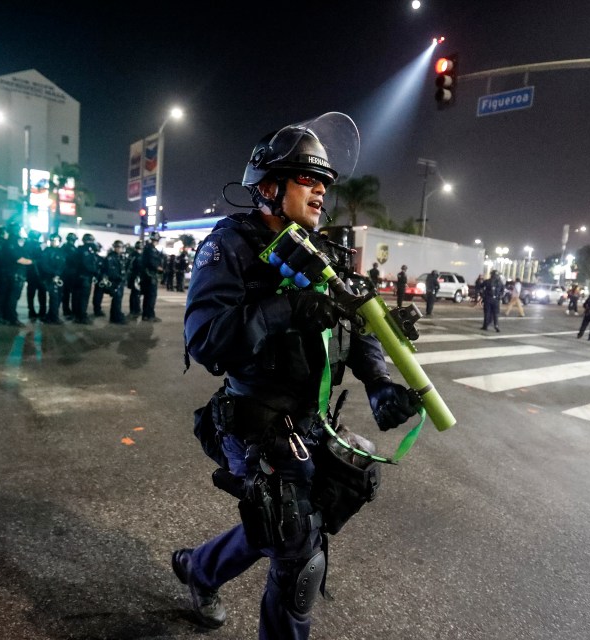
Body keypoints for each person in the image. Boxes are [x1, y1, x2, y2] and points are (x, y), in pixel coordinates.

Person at [174, 112, 417, 639]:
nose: (321, 192)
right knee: (297, 548)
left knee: (306, 512)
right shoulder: (229, 246)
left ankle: (199, 569)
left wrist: (379, 383)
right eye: (308, 180)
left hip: (309, 422)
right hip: (253, 419)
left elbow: (357, 324)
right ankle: (205, 571)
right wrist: (287, 310)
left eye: (324, 183)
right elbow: (206, 340)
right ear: (268, 185)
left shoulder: (322, 251)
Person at [39, 233, 67, 325]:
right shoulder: (47, 251)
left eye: (57, 241)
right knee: (54, 298)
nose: (55, 242)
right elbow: (44, 265)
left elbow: (63, 264)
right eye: (53, 240)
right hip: (50, 278)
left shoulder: (61, 251)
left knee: (58, 298)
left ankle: (50, 315)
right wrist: (54, 273)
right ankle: (54, 317)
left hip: (59, 277)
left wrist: (59, 274)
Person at [72, 233, 100, 324]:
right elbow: (87, 265)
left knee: (77, 297)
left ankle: (77, 315)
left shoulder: (79, 249)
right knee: (83, 298)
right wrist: (96, 271)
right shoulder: (86, 251)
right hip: (85, 278)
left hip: (78, 277)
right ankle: (82, 316)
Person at [102, 239, 130, 324]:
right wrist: (119, 277)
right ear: (115, 247)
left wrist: (123, 277)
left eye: (121, 247)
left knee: (118, 300)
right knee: (116, 300)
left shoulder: (120, 257)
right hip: (115, 282)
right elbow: (111, 271)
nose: (120, 249)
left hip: (120, 281)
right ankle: (115, 318)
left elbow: (123, 268)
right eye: (118, 247)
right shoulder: (111, 257)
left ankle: (116, 315)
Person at [140, 231, 164, 321]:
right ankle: (149, 315)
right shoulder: (150, 249)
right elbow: (152, 263)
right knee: (151, 296)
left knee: (147, 296)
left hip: (147, 276)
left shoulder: (149, 248)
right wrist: (159, 268)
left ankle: (146, 315)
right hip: (150, 276)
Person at [24, 230, 46, 321]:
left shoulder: (27, 245)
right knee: (40, 293)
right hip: (37, 273)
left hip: (33, 273)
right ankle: (41, 312)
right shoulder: (38, 245)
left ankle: (33, 311)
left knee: (32, 294)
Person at [61, 232, 79, 320]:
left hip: (66, 273)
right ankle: (69, 311)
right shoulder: (71, 249)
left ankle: (67, 310)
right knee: (71, 294)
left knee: (66, 294)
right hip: (70, 274)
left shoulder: (64, 247)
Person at [127, 240, 143, 319]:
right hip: (136, 277)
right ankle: (135, 310)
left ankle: (135, 309)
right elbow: (139, 268)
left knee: (135, 294)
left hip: (132, 277)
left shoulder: (132, 255)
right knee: (136, 294)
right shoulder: (138, 256)